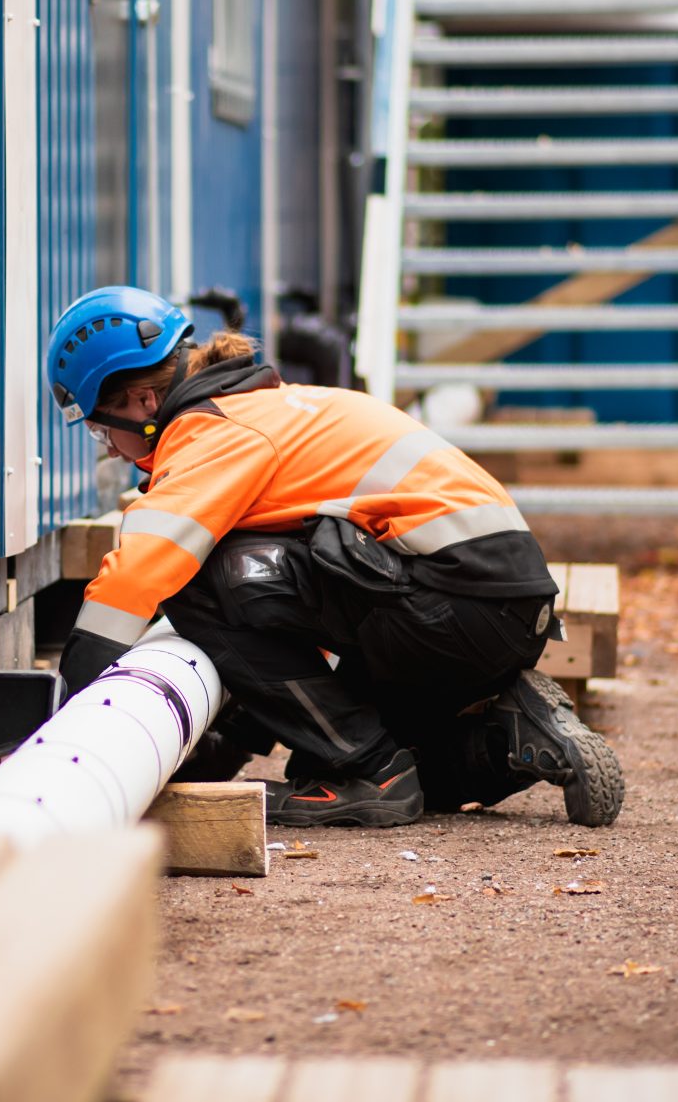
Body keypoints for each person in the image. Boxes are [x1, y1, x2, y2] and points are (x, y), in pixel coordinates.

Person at [47, 286, 624, 829]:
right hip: (496, 607)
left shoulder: (213, 431)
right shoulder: (274, 408)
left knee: (199, 578)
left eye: (103, 430)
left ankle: (372, 773)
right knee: (330, 767)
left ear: (143, 401)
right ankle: (510, 739)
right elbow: (275, 639)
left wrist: (66, 711)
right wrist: (218, 750)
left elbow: (142, 571)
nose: (111, 448)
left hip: (449, 604)